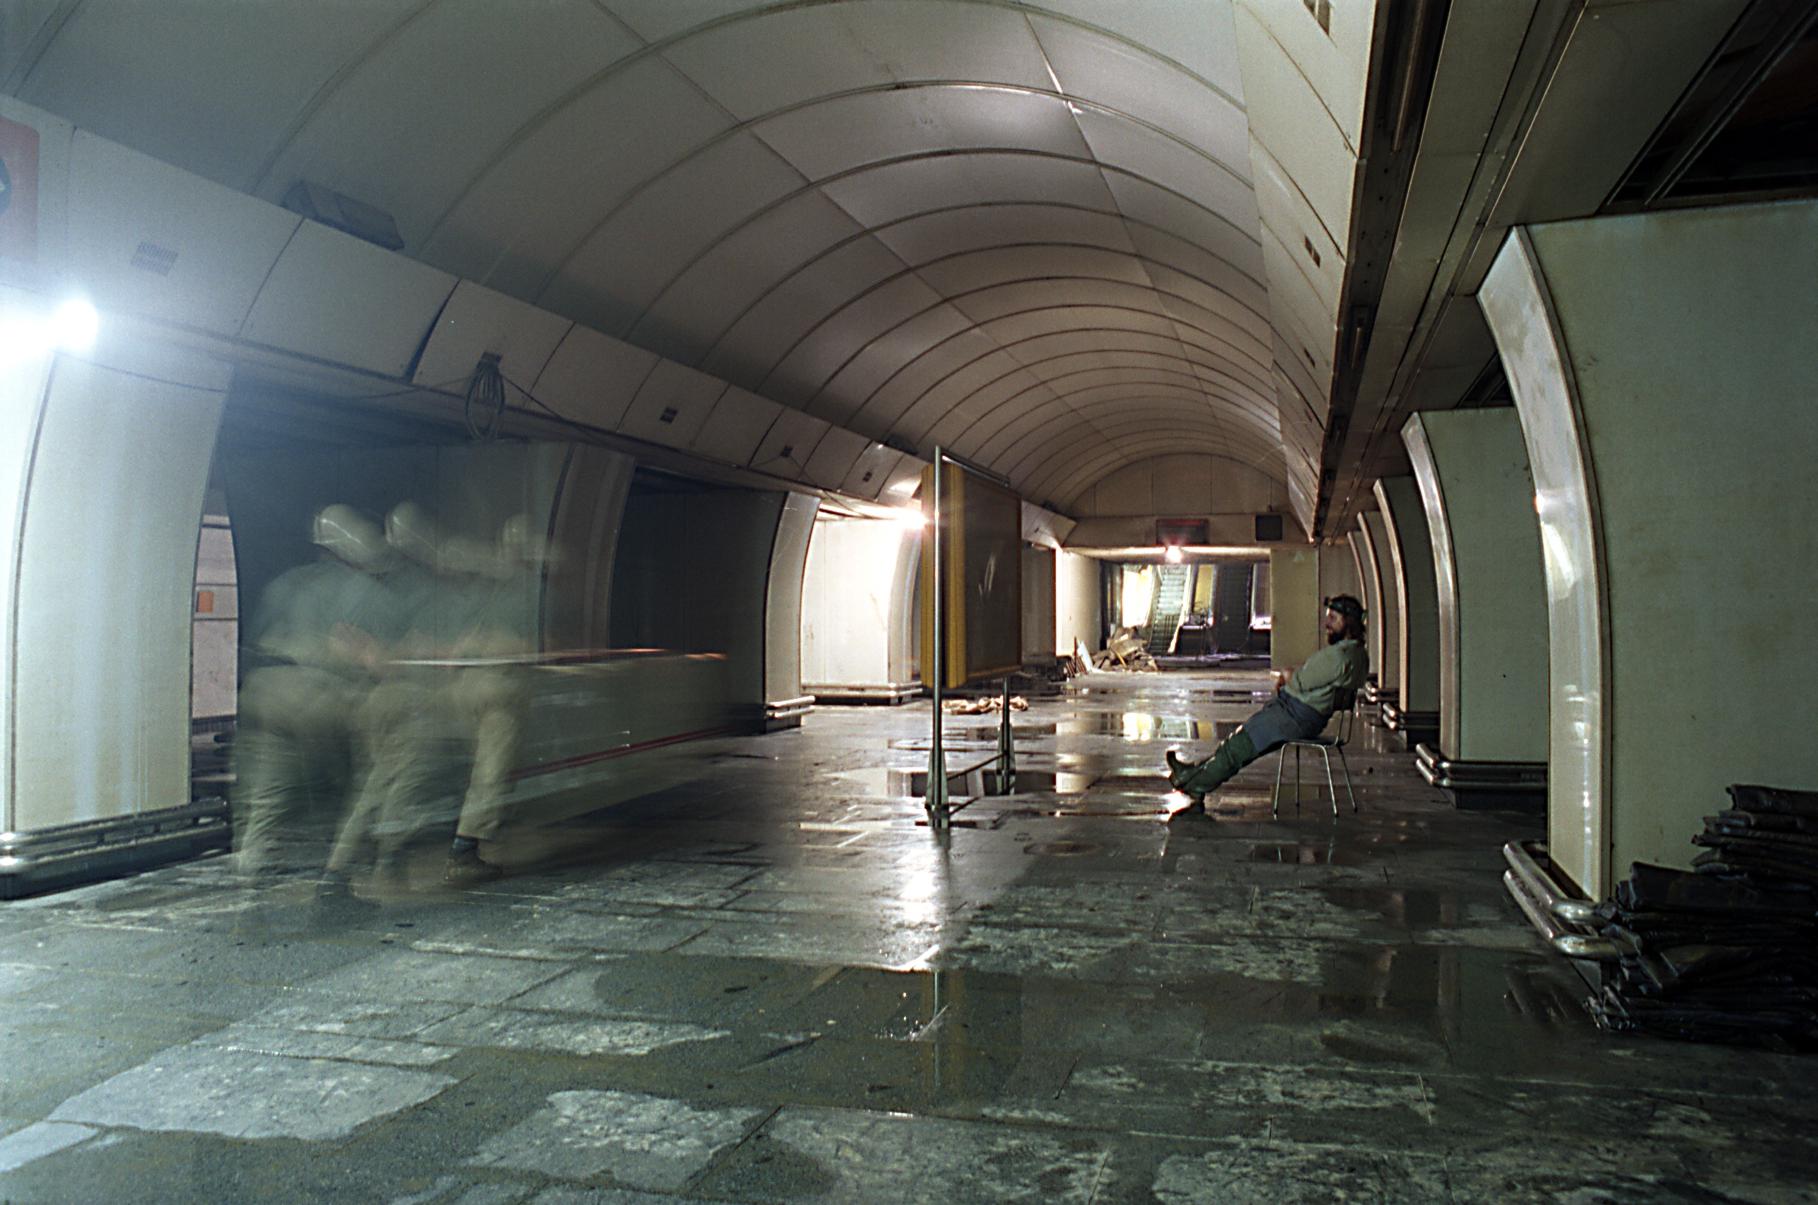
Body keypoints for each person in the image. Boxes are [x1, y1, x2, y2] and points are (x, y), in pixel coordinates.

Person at [234, 504, 397, 875]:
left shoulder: (285, 584)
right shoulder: (368, 594)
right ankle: (342, 868)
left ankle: (252, 864)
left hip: (266, 693)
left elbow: (260, 642)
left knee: (269, 791)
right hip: (321, 698)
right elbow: (377, 661)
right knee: (361, 777)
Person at [1164, 594, 1368, 817]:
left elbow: (1301, 681)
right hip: (1306, 716)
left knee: (1237, 747)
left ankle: (1195, 784)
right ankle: (1192, 773)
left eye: (1334, 618)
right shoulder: (1358, 655)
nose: (1327, 623)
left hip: (1295, 716)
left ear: (1349, 622)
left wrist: (1286, 675)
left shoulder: (1340, 656)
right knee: (1236, 746)